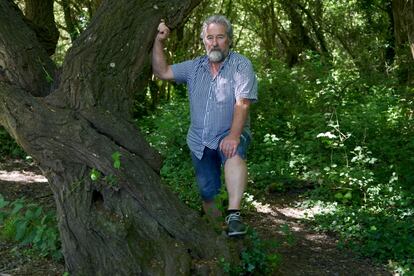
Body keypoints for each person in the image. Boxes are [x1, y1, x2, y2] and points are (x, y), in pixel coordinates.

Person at [152, 15, 257, 237]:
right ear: (204, 41)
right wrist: (159, 42)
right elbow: (163, 72)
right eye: (210, 37)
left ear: (229, 39)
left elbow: (243, 102)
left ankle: (234, 214)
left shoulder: (241, 64)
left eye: (220, 36)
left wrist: (233, 135)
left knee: (233, 153)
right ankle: (219, 235)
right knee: (208, 192)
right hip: (199, 140)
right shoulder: (194, 67)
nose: (214, 42)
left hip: (229, 132)